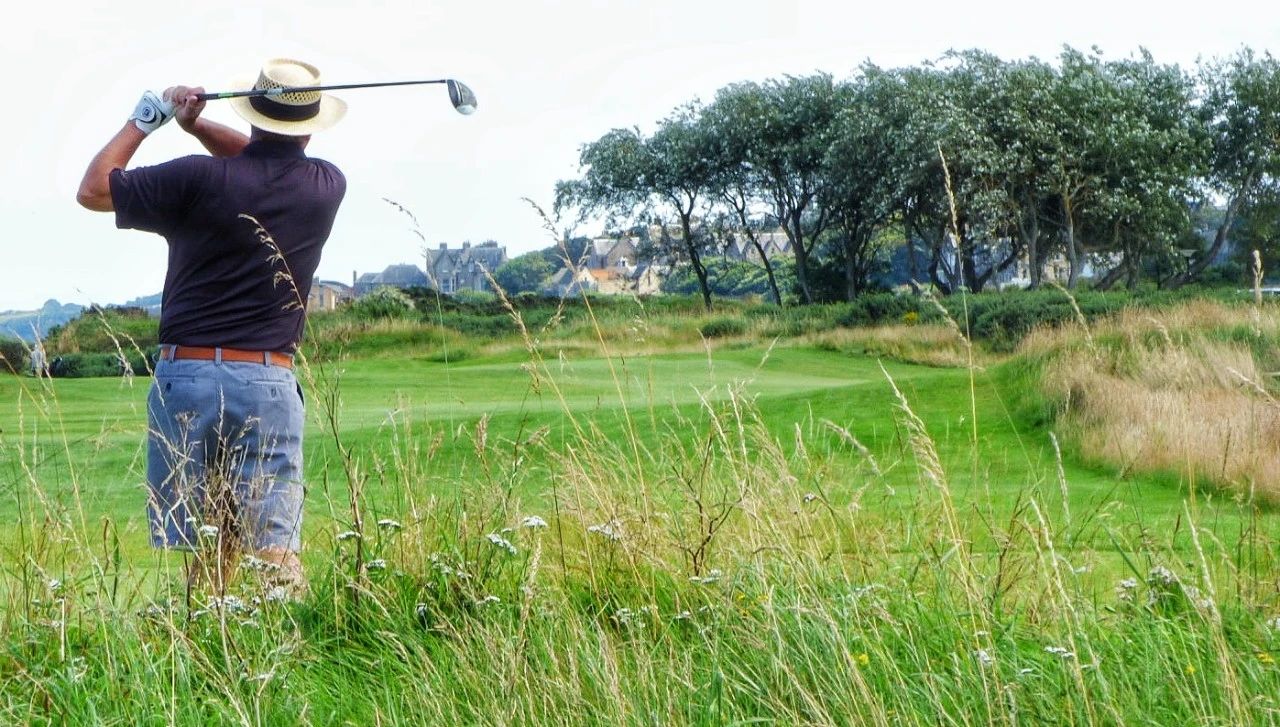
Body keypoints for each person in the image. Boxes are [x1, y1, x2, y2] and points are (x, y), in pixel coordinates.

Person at [76, 58, 348, 595]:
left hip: (188, 378)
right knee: (273, 543)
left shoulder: (197, 178)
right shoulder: (325, 186)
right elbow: (261, 162)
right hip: (269, 381)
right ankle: (292, 631)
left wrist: (149, 118)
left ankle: (204, 631)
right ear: (309, 127)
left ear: (250, 113)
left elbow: (94, 190)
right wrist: (198, 126)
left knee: (207, 541)